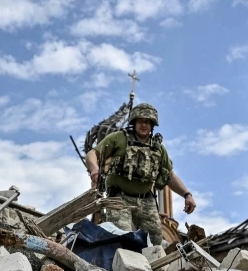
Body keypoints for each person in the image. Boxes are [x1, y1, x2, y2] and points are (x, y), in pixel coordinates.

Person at [83, 103, 196, 246]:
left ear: (152, 125)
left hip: (146, 202)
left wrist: (187, 195)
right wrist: (95, 169)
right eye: (141, 121)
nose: (144, 125)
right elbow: (92, 154)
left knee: (155, 243)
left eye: (148, 122)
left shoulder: (158, 148)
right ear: (134, 122)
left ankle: (154, 268)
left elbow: (170, 176)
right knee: (123, 236)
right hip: (119, 199)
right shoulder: (118, 139)